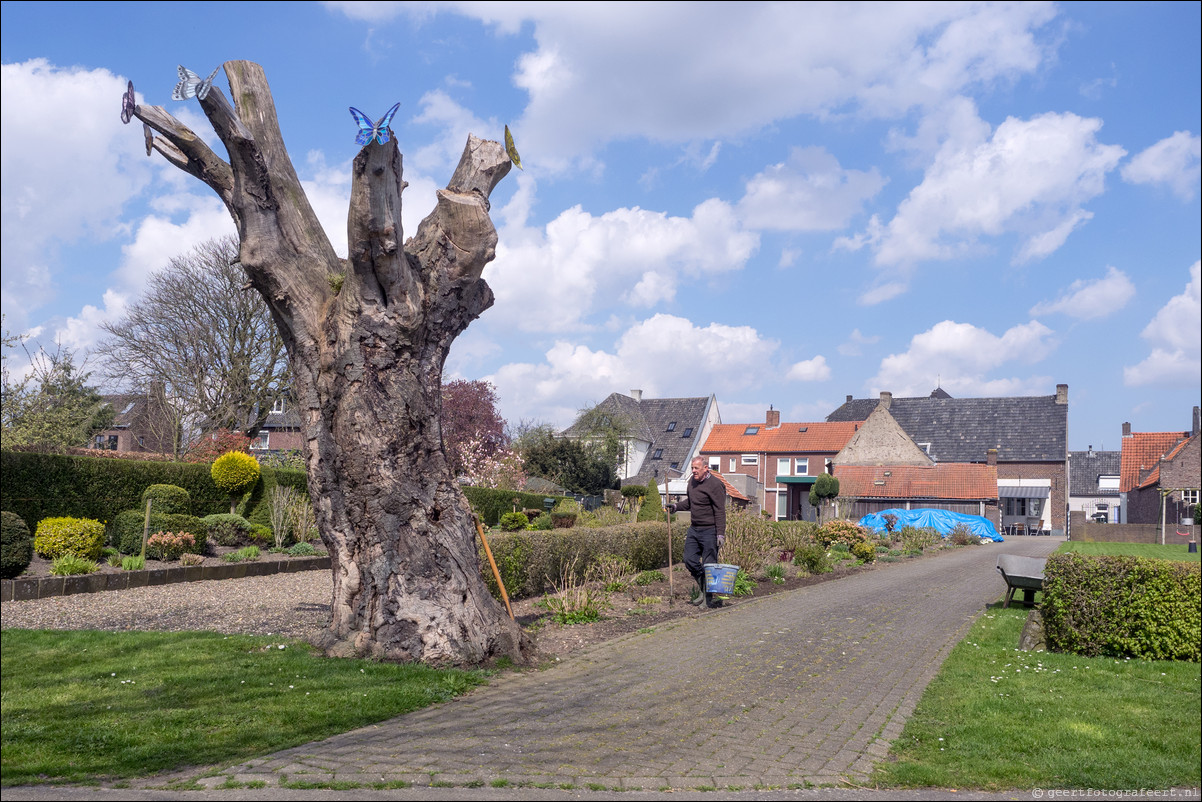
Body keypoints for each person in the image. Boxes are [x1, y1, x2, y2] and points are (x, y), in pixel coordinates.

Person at [667, 457, 727, 608]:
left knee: (709, 565)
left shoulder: (716, 485)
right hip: (694, 529)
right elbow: (690, 502)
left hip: (710, 530)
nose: (693, 471)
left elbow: (720, 511)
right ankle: (703, 586)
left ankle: (707, 598)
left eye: (696, 468)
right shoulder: (692, 482)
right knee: (689, 560)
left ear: (706, 468)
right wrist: (676, 507)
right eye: (692, 468)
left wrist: (720, 533)